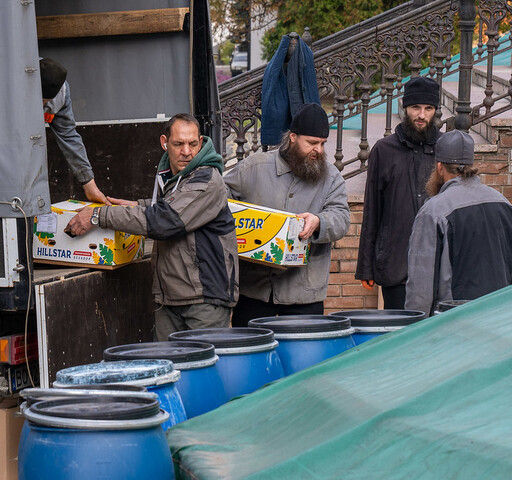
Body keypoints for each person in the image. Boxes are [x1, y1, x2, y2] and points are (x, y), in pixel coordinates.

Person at [66, 113, 239, 339]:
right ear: (164, 143)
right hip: (171, 298)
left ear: (201, 142)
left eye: (192, 144)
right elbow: (171, 206)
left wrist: (99, 215)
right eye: (178, 144)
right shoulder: (173, 175)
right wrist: (137, 206)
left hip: (204, 301)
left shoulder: (206, 179)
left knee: (202, 362)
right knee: (165, 362)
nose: (186, 151)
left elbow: (165, 220)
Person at [224, 103, 350, 326]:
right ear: (293, 137)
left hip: (304, 294)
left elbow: (341, 217)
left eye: (322, 144)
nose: (319, 150)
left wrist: (319, 222)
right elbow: (220, 199)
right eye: (312, 143)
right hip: (254, 291)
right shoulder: (253, 167)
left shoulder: (331, 177)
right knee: (253, 346)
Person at [404, 130, 512, 316]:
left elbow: (421, 288)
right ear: (470, 165)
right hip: (498, 318)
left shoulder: (434, 211)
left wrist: (414, 328)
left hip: (454, 321)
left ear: (439, 167)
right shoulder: (503, 203)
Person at [355, 76, 443, 309]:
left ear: (435, 111)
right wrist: (366, 266)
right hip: (395, 264)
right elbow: (372, 209)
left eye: (428, 108)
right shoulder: (384, 150)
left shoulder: (444, 148)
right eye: (416, 108)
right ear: (405, 108)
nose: (421, 115)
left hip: (437, 266)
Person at [40, 57, 109, 204]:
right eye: (40, 99)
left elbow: (69, 136)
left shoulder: (61, 93)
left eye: (46, 102)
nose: (42, 105)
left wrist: (89, 185)